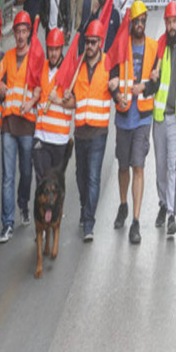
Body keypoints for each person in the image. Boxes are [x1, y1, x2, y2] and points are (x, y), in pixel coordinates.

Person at [108, 0, 159, 245]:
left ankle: (136, 221)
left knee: (138, 165)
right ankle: (123, 205)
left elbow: (156, 82)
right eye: (136, 21)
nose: (139, 24)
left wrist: (146, 86)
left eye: (143, 21)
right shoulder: (121, 45)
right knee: (123, 166)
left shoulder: (153, 47)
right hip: (123, 115)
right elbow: (112, 77)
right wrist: (115, 93)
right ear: (131, 22)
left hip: (143, 117)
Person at [145, 1, 176, 236]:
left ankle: (172, 213)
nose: (171, 26)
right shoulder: (160, 47)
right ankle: (163, 204)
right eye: (168, 22)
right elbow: (151, 82)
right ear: (165, 23)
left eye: (174, 21)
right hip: (160, 117)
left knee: (172, 165)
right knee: (161, 167)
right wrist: (152, 78)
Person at [65, 19, 112, 241]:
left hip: (98, 133)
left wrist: (117, 87)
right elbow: (73, 98)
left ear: (100, 43)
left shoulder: (108, 64)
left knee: (93, 177)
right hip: (80, 132)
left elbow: (116, 90)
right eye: (87, 42)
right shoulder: (77, 66)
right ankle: (85, 207)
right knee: (80, 176)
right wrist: (66, 98)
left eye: (94, 42)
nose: (90, 46)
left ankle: (89, 223)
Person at [0, 10, 41, 242]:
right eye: (18, 31)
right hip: (8, 123)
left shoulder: (35, 57)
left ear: (28, 33)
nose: (21, 35)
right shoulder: (8, 57)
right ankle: (7, 223)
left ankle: (23, 203)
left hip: (26, 125)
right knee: (7, 176)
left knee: (25, 172)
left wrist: (33, 98)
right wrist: (0, 86)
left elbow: (40, 87)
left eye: (25, 31)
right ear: (13, 33)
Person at [32, 28, 73, 184]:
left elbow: (74, 103)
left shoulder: (69, 71)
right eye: (50, 49)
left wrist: (59, 100)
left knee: (56, 186)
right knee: (42, 185)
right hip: (41, 137)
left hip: (59, 140)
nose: (53, 53)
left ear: (61, 48)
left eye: (56, 49)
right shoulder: (41, 67)